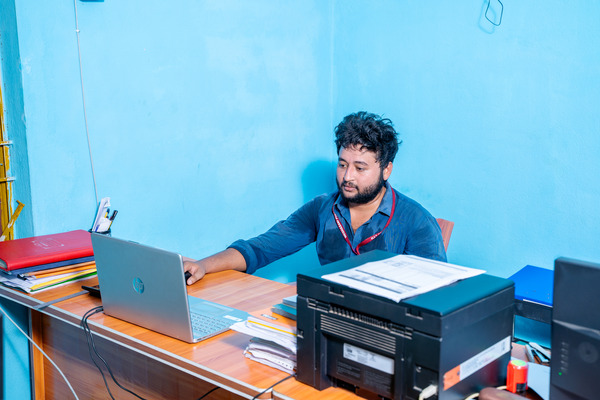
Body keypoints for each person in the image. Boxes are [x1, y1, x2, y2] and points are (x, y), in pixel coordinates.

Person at [184, 111, 446, 285]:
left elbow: (435, 294)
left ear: (386, 170)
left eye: (360, 168)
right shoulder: (323, 209)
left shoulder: (417, 221)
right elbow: (261, 248)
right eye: (342, 164)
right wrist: (203, 265)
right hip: (324, 315)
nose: (347, 176)